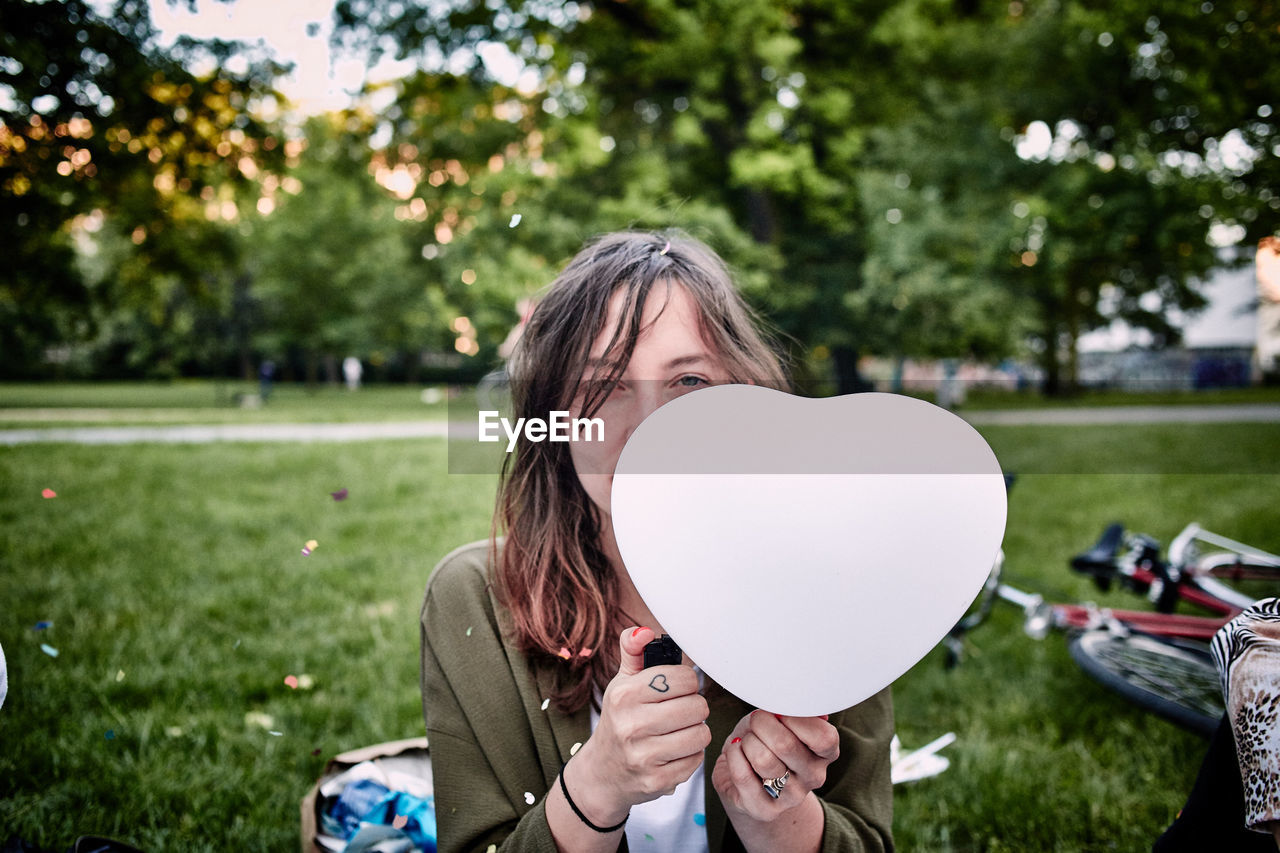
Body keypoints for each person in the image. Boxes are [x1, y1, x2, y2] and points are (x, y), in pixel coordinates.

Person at [420, 231, 894, 853]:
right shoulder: (475, 597)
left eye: (688, 382)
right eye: (603, 385)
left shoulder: (830, 589)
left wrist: (777, 818)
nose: (648, 428)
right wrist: (595, 786)